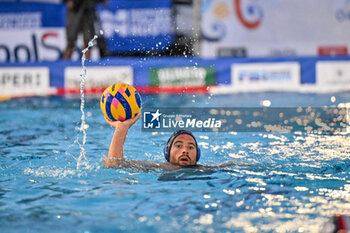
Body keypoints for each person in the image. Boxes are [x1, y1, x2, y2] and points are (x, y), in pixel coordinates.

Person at [104, 113, 240, 170]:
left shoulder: (207, 170)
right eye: (179, 146)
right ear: (167, 153)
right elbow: (113, 164)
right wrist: (122, 128)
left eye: (191, 147)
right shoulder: (157, 168)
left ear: (197, 155)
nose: (185, 150)